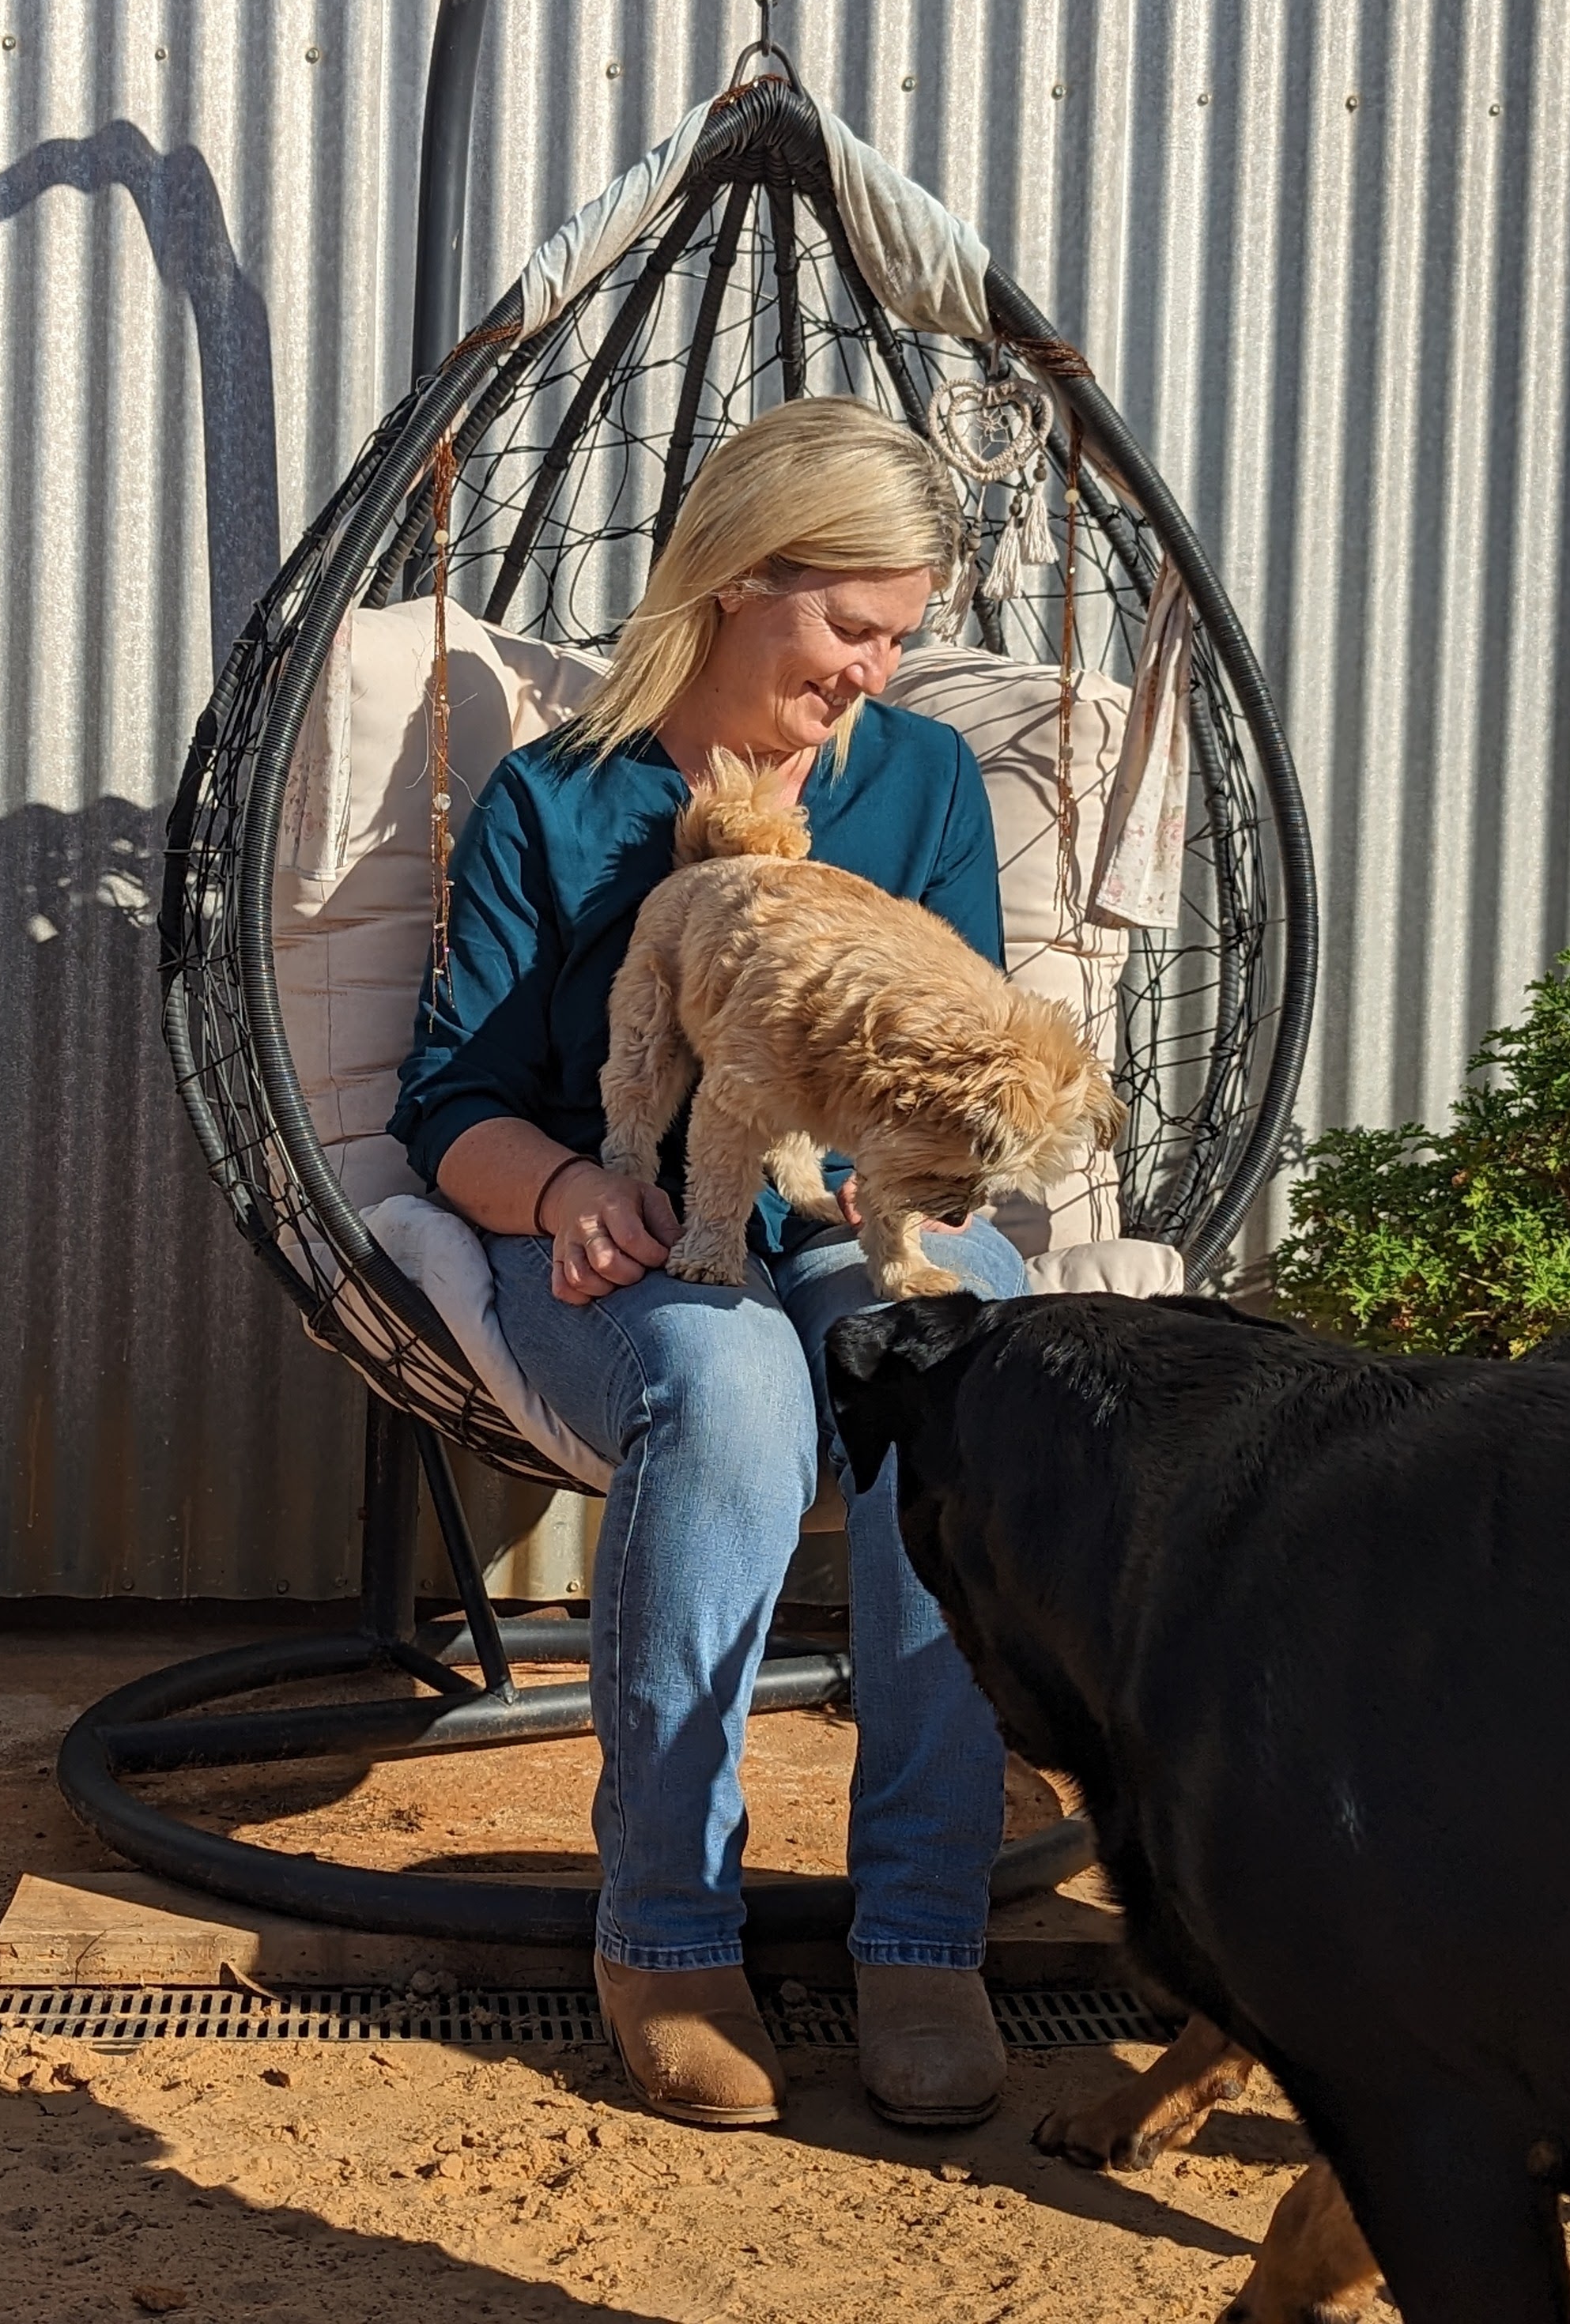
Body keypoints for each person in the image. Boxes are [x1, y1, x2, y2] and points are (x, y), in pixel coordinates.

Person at [391, 397, 1028, 2131]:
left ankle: (922, 1933)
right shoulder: (557, 797)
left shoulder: (922, 782)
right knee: (733, 1381)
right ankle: (667, 1930)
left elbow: (950, 1042)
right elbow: (451, 1101)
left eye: (901, 639)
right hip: (616, 1241)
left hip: (844, 1215)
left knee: (971, 1360)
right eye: (850, 629)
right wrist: (556, 1199)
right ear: (741, 578)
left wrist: (904, 1190)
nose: (872, 678)